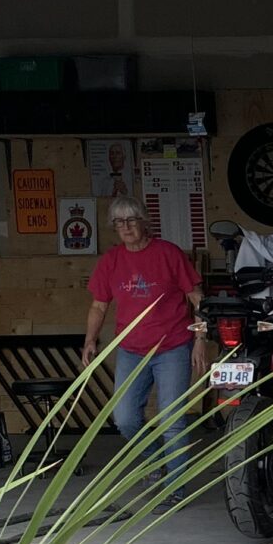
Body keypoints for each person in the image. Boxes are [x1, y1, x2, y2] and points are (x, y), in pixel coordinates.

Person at [81, 198, 204, 482]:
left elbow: (197, 297)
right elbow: (99, 306)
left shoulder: (168, 253)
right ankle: (155, 462)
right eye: (119, 223)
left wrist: (199, 339)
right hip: (131, 350)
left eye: (131, 220)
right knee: (124, 419)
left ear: (144, 221)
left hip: (172, 347)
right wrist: (90, 340)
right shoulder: (111, 261)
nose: (126, 227)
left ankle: (174, 487)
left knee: (171, 420)